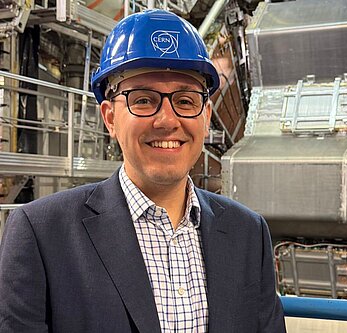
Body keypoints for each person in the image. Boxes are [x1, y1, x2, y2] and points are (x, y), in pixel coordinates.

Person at [0, 9, 286, 333]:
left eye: (186, 100)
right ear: (110, 118)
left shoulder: (248, 234)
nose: (167, 120)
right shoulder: (42, 235)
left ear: (205, 116)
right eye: (144, 100)